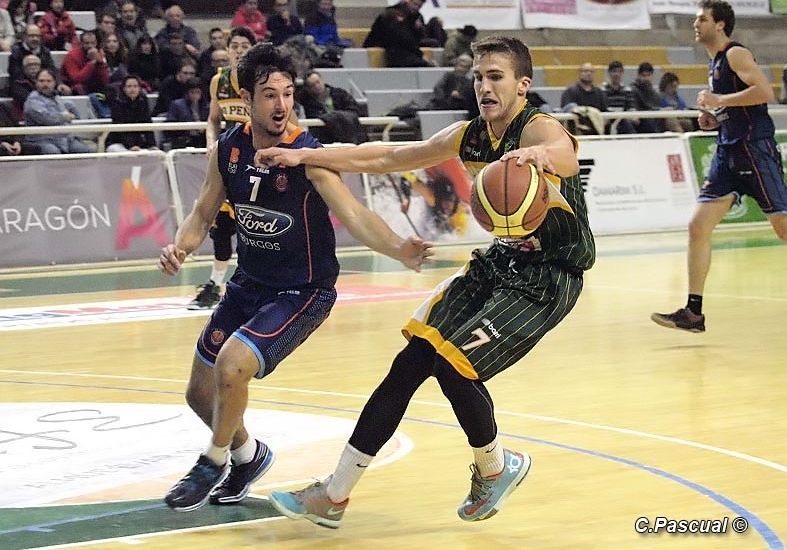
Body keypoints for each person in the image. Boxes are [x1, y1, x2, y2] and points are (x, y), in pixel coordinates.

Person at [257, 35, 595, 528]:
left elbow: (564, 152)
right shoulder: (469, 135)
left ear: (522, 85)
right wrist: (306, 156)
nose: (484, 87)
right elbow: (389, 156)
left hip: (549, 275)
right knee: (410, 363)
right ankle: (333, 495)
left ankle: (496, 467)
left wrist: (540, 156)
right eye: (478, 77)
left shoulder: (536, 127)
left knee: (454, 366)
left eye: (496, 77)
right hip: (501, 262)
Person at [156, 42, 432, 512]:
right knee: (200, 394)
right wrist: (181, 246)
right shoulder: (228, 149)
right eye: (270, 95)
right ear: (247, 98)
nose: (281, 104)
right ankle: (248, 456)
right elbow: (202, 213)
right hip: (249, 284)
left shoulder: (307, 155)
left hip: (302, 291)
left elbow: (354, 214)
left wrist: (398, 248)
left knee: (232, 366)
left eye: (287, 93)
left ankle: (211, 462)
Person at [651, 0, 787, 333]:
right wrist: (716, 117)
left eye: (702, 19)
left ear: (720, 24)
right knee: (698, 227)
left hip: (754, 149)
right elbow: (736, 106)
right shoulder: (714, 63)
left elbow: (764, 92)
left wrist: (719, 100)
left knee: (783, 227)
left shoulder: (735, 53)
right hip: (728, 152)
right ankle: (693, 312)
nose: (695, 25)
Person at [185, 26, 255, 310]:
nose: (238, 51)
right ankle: (215, 285)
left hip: (258, 161)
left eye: (244, 46)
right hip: (230, 160)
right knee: (222, 227)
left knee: (255, 229)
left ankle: (259, 284)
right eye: (234, 46)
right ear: (227, 50)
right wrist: (211, 142)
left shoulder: (262, 81)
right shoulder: (219, 81)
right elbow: (213, 119)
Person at [23, 68, 92, 154]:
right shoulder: (32, 100)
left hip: (64, 139)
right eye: (41, 81)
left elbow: (74, 112)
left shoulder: (57, 98)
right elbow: (47, 119)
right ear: (36, 83)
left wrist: (72, 114)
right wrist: (64, 117)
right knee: (53, 152)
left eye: (49, 81)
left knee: (87, 151)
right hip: (41, 140)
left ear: (54, 83)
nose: (45, 84)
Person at [105, 74, 156, 152]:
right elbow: (120, 127)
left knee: (154, 153)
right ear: (124, 88)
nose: (132, 89)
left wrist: (152, 145)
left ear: (139, 88)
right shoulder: (117, 103)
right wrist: (130, 146)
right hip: (117, 142)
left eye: (135, 86)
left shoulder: (143, 102)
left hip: (138, 143)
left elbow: (148, 124)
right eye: (129, 86)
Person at [165, 77, 209, 149]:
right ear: (187, 92)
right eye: (192, 92)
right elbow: (169, 127)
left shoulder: (207, 106)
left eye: (197, 92)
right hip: (183, 141)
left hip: (202, 141)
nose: (195, 95)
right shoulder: (177, 105)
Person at [600, 60, 636, 134]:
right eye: (614, 71)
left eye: (619, 71)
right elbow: (601, 108)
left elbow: (631, 108)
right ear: (609, 73)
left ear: (622, 73)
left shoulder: (627, 90)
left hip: (623, 120)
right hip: (608, 120)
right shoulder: (602, 90)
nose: (617, 74)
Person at [630, 62, 662, 133]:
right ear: (638, 76)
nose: (646, 78)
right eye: (644, 76)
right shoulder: (633, 90)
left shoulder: (654, 93)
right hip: (642, 119)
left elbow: (656, 108)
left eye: (648, 75)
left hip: (654, 118)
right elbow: (634, 108)